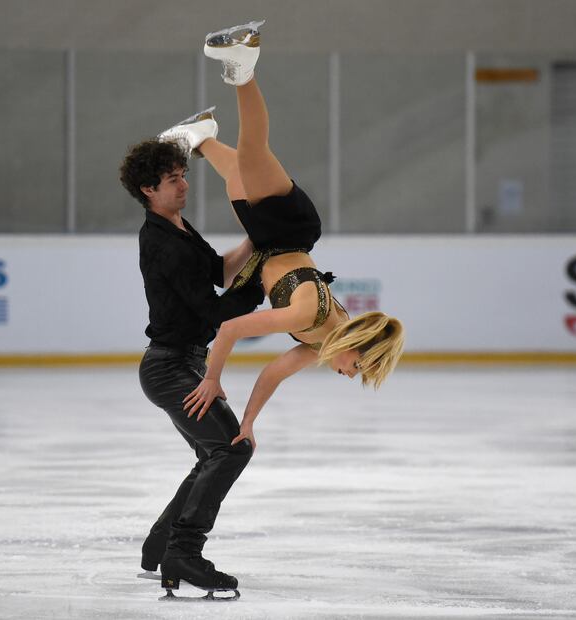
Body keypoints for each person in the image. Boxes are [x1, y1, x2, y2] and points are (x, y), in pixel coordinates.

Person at [161, 21, 405, 450]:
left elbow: (272, 374)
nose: (349, 375)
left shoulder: (318, 346)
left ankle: (200, 134)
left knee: (239, 173)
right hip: (291, 227)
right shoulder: (308, 315)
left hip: (267, 242)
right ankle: (243, 62)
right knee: (254, 152)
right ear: (357, 348)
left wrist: (249, 423)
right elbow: (232, 328)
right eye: (357, 369)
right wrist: (212, 379)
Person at [119, 132, 263, 595]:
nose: (183, 185)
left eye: (183, 176)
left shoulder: (178, 227)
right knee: (232, 447)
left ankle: (160, 548)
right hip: (168, 370)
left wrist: (256, 243)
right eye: (171, 180)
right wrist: (263, 285)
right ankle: (184, 553)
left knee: (213, 452)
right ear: (148, 190)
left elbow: (220, 271)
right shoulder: (162, 243)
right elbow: (217, 313)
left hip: (182, 364)